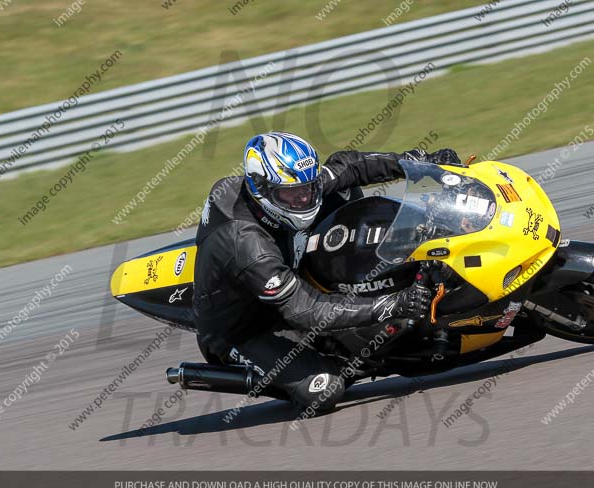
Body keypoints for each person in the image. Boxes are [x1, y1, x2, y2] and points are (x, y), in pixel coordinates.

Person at [193, 131, 461, 413]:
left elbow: (349, 166)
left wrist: (420, 163)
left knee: (343, 191)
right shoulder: (247, 245)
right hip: (248, 328)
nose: (303, 199)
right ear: (261, 188)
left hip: (289, 268)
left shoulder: (292, 183)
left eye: (308, 188)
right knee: (323, 389)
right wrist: (393, 304)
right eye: (291, 194)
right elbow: (302, 310)